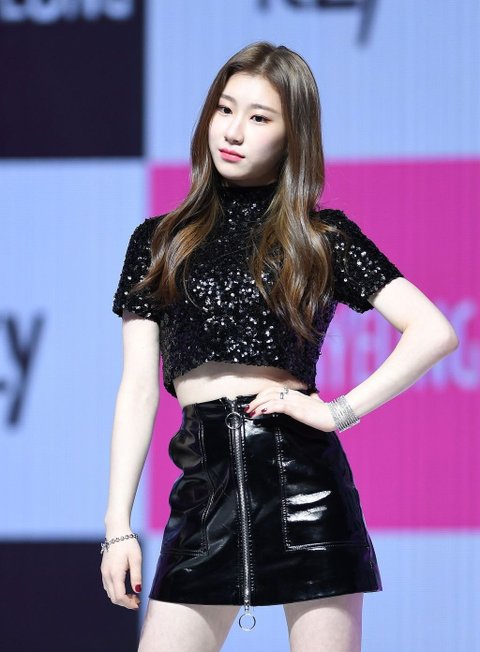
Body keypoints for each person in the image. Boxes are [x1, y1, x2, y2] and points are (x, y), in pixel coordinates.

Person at [100, 41, 459, 652]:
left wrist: (337, 412)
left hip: (306, 492)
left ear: (294, 135)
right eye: (225, 109)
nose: (233, 131)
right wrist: (117, 526)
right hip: (203, 494)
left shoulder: (322, 236)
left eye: (260, 117)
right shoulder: (158, 241)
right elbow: (137, 388)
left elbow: (435, 331)